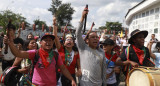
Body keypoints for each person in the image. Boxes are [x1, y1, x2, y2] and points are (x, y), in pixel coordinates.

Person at [4, 31, 77, 86]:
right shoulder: (35, 53)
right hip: (37, 84)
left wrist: (72, 80)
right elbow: (18, 53)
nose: (48, 42)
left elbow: (63, 68)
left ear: (53, 42)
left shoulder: (56, 55)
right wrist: (10, 43)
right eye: (46, 40)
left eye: (50, 40)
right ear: (41, 42)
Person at [76, 8, 107, 86]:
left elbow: (104, 69)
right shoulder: (83, 48)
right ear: (87, 40)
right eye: (93, 37)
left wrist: (104, 83)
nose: (95, 38)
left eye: (97, 37)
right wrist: (82, 17)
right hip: (84, 84)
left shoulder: (101, 51)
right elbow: (78, 33)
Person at [53, 17, 81, 86]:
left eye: (71, 39)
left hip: (72, 76)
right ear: (64, 43)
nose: (69, 40)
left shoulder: (76, 53)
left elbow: (79, 66)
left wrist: (79, 71)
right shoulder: (61, 49)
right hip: (60, 75)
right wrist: (54, 25)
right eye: (67, 39)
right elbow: (55, 36)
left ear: (73, 43)